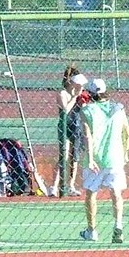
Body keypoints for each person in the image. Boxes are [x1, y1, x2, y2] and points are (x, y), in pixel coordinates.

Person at [78, 78, 129, 244]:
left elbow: (87, 135)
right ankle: (118, 226)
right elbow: (127, 133)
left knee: (91, 193)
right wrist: (125, 153)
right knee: (115, 192)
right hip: (115, 158)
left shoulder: (87, 111)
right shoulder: (118, 109)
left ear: (91, 94)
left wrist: (91, 159)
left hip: (97, 160)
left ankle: (92, 230)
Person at [53, 65, 90, 197]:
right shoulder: (62, 93)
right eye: (79, 84)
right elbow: (65, 112)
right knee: (63, 155)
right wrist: (74, 98)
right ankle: (54, 186)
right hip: (65, 127)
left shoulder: (81, 95)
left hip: (77, 127)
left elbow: (84, 113)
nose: (81, 87)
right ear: (72, 83)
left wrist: (83, 102)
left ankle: (71, 185)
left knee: (74, 158)